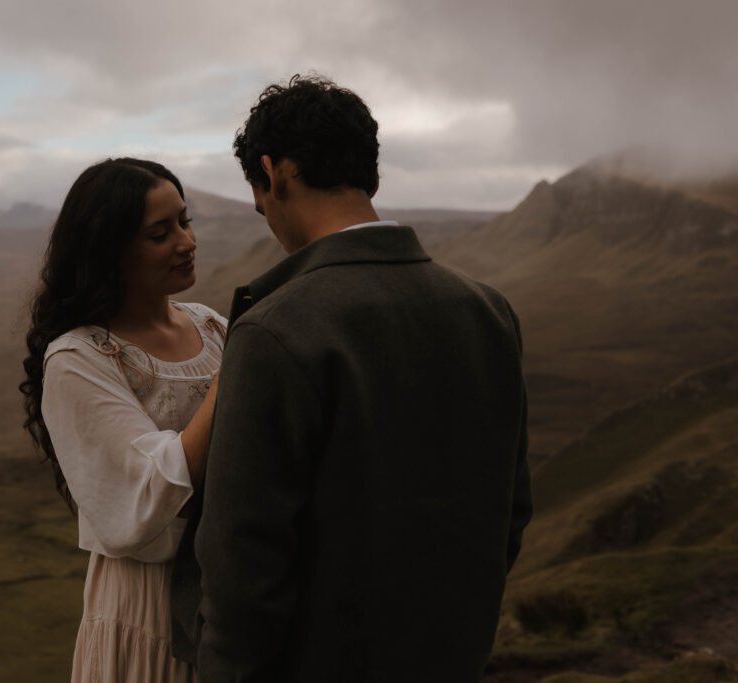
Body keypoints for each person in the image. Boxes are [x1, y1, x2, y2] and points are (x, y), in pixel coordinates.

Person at [171, 75, 533, 681]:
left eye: (259, 197)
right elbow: (510, 510)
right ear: (372, 173)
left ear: (273, 173)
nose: (265, 215)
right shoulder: (488, 310)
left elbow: (243, 569)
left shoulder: (274, 330)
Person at [20, 157, 225, 682]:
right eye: (161, 233)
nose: (186, 242)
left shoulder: (213, 327)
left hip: (231, 592)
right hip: (148, 603)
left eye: (185, 221)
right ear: (110, 251)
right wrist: (241, 374)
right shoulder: (81, 358)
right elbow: (147, 488)